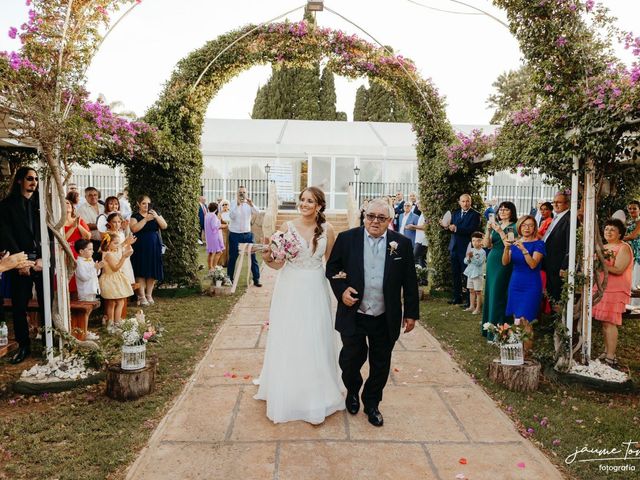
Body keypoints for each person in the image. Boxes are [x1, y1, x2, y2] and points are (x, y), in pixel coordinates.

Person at [326, 197, 419, 427]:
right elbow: (332, 268)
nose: (375, 221)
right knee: (349, 360)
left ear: (389, 220)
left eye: (381, 218)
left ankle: (372, 402)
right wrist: (342, 290)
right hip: (354, 312)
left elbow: (409, 281)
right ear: (364, 216)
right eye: (370, 216)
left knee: (380, 363)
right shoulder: (347, 239)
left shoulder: (402, 244)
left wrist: (411, 313)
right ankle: (352, 392)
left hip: (385, 315)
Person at [255, 187, 344, 424]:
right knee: (291, 336)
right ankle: (289, 390)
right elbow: (277, 265)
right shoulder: (286, 228)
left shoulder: (328, 230)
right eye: (302, 200)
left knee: (314, 336)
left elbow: (332, 265)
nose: (304, 204)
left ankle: (316, 391)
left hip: (315, 287)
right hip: (291, 288)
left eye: (310, 201)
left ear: (319, 206)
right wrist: (266, 257)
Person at [0, 167, 45, 364]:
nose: (33, 182)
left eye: (35, 179)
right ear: (19, 180)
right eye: (29, 178)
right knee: (19, 306)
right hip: (18, 260)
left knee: (46, 304)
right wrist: (20, 262)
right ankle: (23, 345)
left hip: (40, 261)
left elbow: (46, 233)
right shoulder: (6, 205)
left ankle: (47, 343)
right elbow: (5, 234)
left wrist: (42, 258)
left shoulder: (40, 205)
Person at [593, 219, 633, 368]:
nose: (608, 232)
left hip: (615, 289)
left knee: (610, 322)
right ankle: (606, 351)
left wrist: (599, 264)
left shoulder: (623, 247)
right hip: (602, 287)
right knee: (604, 322)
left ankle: (611, 356)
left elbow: (619, 269)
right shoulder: (603, 246)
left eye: (612, 230)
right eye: (606, 229)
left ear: (620, 233)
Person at [482, 201, 517, 341]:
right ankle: (488, 328)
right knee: (490, 292)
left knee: (499, 292)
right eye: (500, 210)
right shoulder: (495, 225)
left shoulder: (512, 227)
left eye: (506, 210)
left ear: (511, 212)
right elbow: (487, 245)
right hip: (492, 260)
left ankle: (500, 329)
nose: (502, 212)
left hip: (505, 260)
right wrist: (489, 230)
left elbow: (509, 243)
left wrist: (499, 231)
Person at [503, 216, 545, 322]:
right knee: (516, 317)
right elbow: (505, 262)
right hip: (516, 283)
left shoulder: (539, 244)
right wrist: (506, 248)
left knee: (526, 319)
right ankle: (517, 339)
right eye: (524, 225)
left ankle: (526, 339)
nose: (527, 228)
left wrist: (523, 249)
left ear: (535, 227)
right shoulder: (514, 242)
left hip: (531, 284)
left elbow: (533, 265)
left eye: (530, 225)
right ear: (519, 227)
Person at [130, 195, 167, 306]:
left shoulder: (155, 214)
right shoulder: (135, 216)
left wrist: (156, 217)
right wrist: (146, 219)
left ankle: (149, 294)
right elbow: (134, 228)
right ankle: (141, 296)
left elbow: (164, 226)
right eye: (143, 203)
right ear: (138, 204)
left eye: (148, 203)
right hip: (140, 246)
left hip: (154, 246)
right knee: (141, 270)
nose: (146, 206)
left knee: (152, 271)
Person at [446, 194, 481, 306]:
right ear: (459, 202)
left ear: (470, 202)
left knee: (467, 274)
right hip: (454, 247)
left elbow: (473, 230)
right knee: (455, 274)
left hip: (466, 248)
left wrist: (456, 228)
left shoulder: (475, 215)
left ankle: (468, 300)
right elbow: (452, 230)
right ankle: (457, 297)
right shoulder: (455, 213)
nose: (465, 203)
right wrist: (446, 226)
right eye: (463, 201)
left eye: (467, 201)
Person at [99, 234, 134, 329]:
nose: (118, 245)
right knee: (119, 302)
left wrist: (127, 243)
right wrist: (124, 257)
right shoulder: (109, 254)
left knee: (114, 302)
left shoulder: (110, 251)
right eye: (115, 243)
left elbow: (121, 247)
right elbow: (115, 268)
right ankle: (116, 323)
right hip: (111, 280)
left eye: (118, 243)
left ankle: (111, 322)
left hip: (114, 279)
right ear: (108, 243)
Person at [227, 186, 261, 287]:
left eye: (244, 192)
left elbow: (257, 212)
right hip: (235, 235)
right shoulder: (233, 203)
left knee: (253, 257)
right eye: (240, 192)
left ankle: (256, 279)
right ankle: (230, 279)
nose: (242, 194)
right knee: (233, 257)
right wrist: (238, 205)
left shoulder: (249, 204)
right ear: (237, 193)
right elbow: (232, 216)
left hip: (248, 235)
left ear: (247, 193)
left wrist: (252, 204)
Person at [542, 192, 572, 305]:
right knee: (549, 291)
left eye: (558, 202)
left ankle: (557, 319)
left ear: (567, 204)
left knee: (556, 294)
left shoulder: (569, 219)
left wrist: (564, 266)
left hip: (558, 264)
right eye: (553, 202)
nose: (555, 205)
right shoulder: (557, 217)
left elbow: (570, 245)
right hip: (549, 261)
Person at [105, 212, 136, 285]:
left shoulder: (121, 233)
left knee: (127, 282)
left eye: (119, 222)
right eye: (114, 222)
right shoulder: (108, 235)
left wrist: (129, 243)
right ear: (109, 223)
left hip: (124, 258)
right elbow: (109, 249)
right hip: (115, 259)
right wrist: (125, 242)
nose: (117, 224)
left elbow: (124, 246)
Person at [76, 186, 104, 257]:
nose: (93, 197)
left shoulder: (103, 207)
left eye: (95, 195)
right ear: (85, 197)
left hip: (105, 241)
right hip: (91, 243)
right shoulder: (81, 209)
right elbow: (86, 226)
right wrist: (102, 225)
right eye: (90, 195)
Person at [463, 232, 486, 315]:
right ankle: (472, 306)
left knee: (478, 292)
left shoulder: (482, 252)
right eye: (473, 241)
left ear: (482, 241)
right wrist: (468, 258)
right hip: (470, 273)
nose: (475, 243)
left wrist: (472, 257)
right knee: (471, 290)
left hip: (477, 274)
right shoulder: (471, 250)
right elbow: (465, 261)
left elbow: (479, 263)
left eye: (478, 241)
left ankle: (478, 308)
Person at [623, 200, 640, 307]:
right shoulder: (631, 222)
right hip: (633, 253)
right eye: (630, 208)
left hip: (639, 253)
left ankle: (636, 307)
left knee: (636, 282)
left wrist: (619, 238)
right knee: (632, 280)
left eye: (634, 208)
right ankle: (632, 306)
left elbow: (633, 236)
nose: (632, 210)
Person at [205, 202, 225, 271]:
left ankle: (210, 267)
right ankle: (214, 267)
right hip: (214, 236)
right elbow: (215, 227)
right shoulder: (213, 216)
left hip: (208, 236)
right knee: (219, 252)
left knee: (210, 252)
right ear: (216, 209)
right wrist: (224, 226)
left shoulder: (207, 215)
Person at [219, 200, 231, 267]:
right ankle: (223, 262)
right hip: (223, 231)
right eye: (223, 205)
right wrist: (225, 225)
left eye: (226, 204)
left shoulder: (230, 213)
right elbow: (217, 223)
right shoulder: (220, 214)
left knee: (229, 246)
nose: (225, 206)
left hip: (230, 231)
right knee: (223, 246)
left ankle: (228, 262)